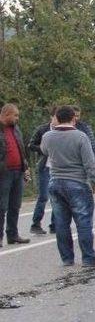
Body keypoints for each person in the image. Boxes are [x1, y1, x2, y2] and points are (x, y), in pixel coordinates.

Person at [42, 105, 95, 267]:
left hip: (55, 182)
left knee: (61, 223)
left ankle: (67, 259)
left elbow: (44, 151)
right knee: (83, 222)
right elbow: (89, 164)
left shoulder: (48, 136)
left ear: (57, 118)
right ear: (73, 118)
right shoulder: (81, 137)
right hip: (77, 183)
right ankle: (89, 258)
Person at [0, 103, 31, 247]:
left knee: (15, 205)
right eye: (15, 115)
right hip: (4, 173)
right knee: (2, 206)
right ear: (6, 114)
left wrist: (25, 167)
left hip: (18, 171)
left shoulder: (16, 129)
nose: (17, 118)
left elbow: (21, 148)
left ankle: (12, 235)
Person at [29, 107, 58, 235]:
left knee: (57, 197)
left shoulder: (64, 130)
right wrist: (43, 149)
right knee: (44, 196)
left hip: (58, 168)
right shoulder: (42, 129)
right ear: (51, 117)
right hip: (45, 167)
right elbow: (31, 145)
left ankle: (55, 224)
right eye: (56, 117)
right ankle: (36, 224)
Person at [72, 106, 95, 174]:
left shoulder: (85, 127)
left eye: (78, 116)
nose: (76, 118)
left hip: (84, 161)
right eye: (74, 116)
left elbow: (93, 144)